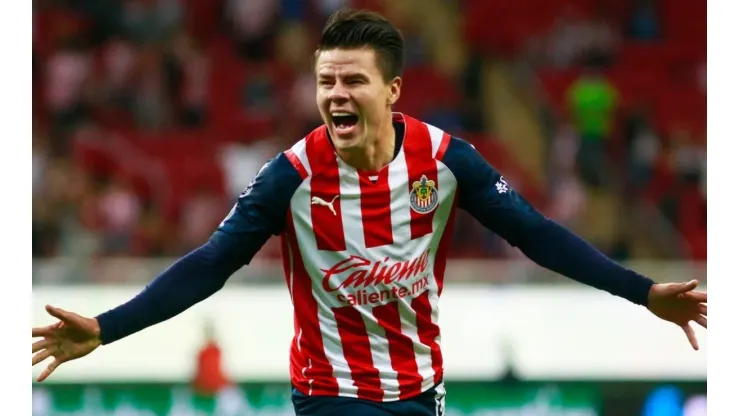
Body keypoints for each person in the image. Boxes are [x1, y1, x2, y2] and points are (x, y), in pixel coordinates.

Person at [32, 9, 707, 416]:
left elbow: (536, 234)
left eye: (352, 79)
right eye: (326, 81)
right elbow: (211, 264)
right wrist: (108, 328)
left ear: (393, 89)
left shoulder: (446, 161)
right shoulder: (291, 176)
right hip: (329, 394)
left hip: (418, 390)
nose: (336, 94)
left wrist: (642, 293)